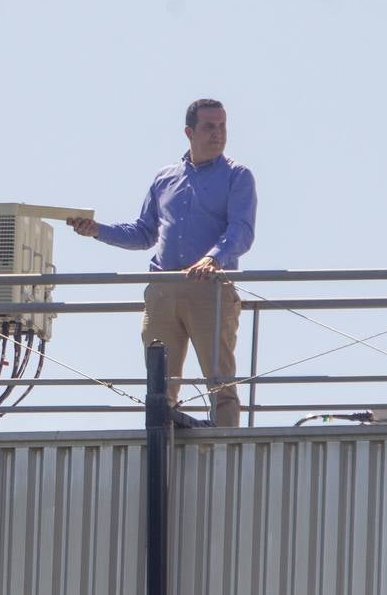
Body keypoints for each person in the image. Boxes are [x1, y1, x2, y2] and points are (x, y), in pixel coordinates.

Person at [68, 99, 256, 427]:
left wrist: (213, 258)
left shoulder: (237, 176)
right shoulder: (165, 178)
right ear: (189, 132)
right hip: (163, 289)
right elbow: (143, 232)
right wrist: (97, 230)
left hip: (209, 287)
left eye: (223, 126)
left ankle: (228, 450)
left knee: (221, 382)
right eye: (209, 127)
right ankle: (161, 443)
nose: (218, 134)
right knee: (159, 385)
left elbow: (241, 230)